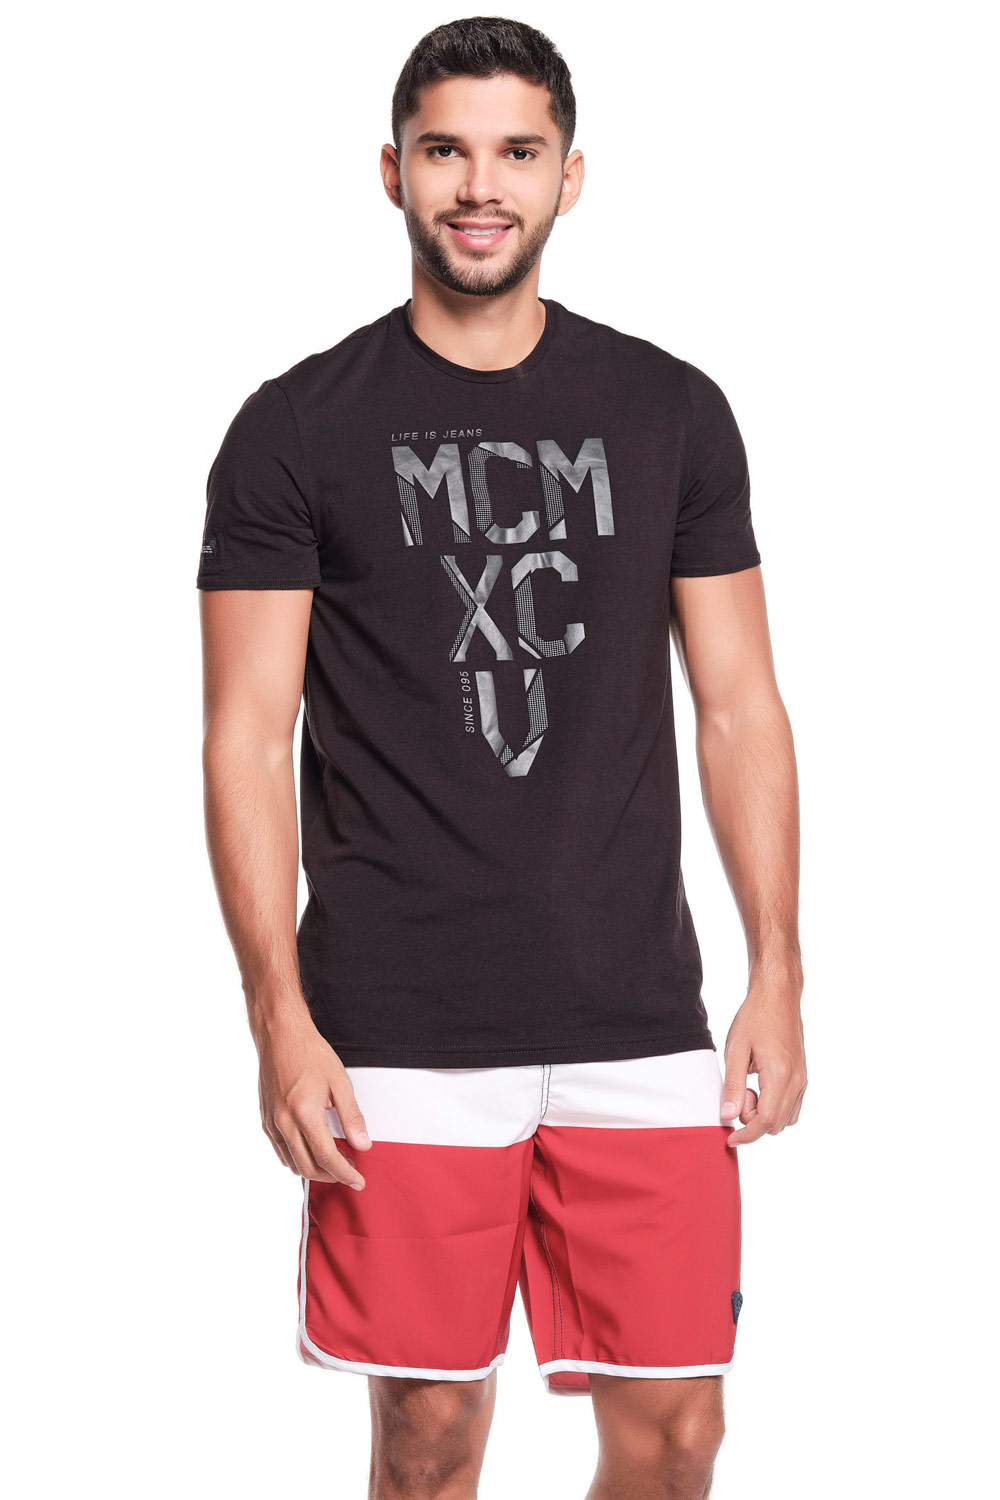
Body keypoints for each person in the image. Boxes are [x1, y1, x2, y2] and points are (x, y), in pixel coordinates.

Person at [196, 16, 806, 1499]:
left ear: (569, 176)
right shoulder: (294, 430)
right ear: (392, 172)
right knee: (428, 1434)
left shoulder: (670, 411)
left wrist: (778, 969)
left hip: (636, 1007)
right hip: (397, 1024)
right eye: (447, 152)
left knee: (678, 1426)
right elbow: (246, 737)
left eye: (517, 151)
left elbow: (739, 703)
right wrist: (277, 1014)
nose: (481, 186)